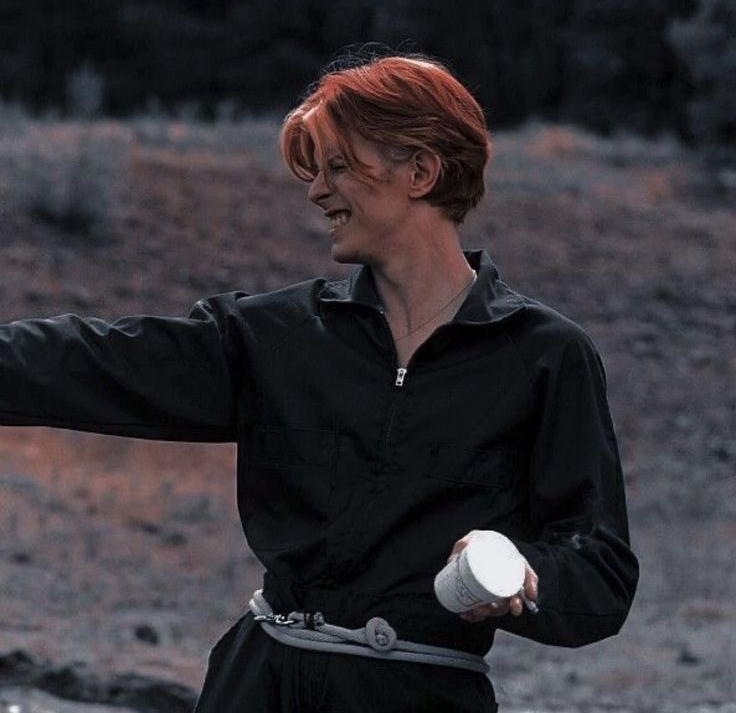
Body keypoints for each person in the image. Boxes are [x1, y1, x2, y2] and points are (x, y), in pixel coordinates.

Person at [0, 51, 639, 712]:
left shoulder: (543, 356)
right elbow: (94, 359)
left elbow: (600, 570)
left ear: (420, 171)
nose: (316, 191)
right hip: (258, 687)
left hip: (419, 697)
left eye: (338, 167)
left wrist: (523, 572)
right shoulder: (278, 334)